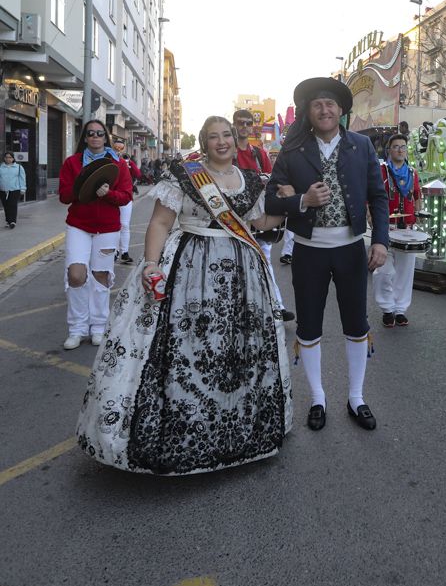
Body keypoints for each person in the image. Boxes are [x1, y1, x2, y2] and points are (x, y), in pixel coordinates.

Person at [76, 116, 292, 475]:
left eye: (226, 135)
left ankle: (234, 434)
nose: (221, 142)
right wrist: (149, 264)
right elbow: (160, 223)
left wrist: (288, 204)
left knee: (235, 351)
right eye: (213, 137)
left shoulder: (251, 180)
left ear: (234, 139)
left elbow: (258, 224)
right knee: (188, 350)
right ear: (204, 143)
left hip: (241, 274)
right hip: (189, 268)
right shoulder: (184, 175)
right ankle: (188, 434)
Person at [265, 77, 389, 433]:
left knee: (356, 325)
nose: (324, 109)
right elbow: (271, 198)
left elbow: (378, 197)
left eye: (330, 104)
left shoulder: (362, 145)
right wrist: (302, 200)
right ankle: (318, 397)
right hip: (308, 253)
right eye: (317, 104)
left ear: (341, 111)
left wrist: (380, 241)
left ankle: (356, 397)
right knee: (309, 326)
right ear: (308, 111)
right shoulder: (293, 150)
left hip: (350, 250)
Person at [58, 120, 134, 350]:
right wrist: (83, 187)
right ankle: (77, 329)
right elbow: (63, 196)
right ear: (85, 138)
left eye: (99, 133)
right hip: (79, 225)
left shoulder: (118, 164)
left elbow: (126, 196)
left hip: (108, 228)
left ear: (105, 137)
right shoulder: (73, 163)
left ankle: (98, 327)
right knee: (76, 275)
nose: (95, 137)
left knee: (101, 276)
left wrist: (108, 193)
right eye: (90, 133)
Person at [232, 107, 295, 322]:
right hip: (231, 222)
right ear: (234, 125)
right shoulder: (226, 152)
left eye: (248, 123)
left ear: (252, 127)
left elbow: (272, 182)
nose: (244, 127)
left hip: (258, 218)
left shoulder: (259, 154)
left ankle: (276, 306)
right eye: (240, 122)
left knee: (264, 263)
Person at [373, 133, 422, 328]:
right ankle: (387, 308)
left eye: (403, 146)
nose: (400, 150)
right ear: (389, 150)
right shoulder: (380, 171)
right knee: (384, 270)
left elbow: (417, 196)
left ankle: (400, 310)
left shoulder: (412, 172)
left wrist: (418, 213)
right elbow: (372, 195)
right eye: (396, 146)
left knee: (405, 271)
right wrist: (371, 216)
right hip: (386, 227)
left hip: (408, 228)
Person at [111, 137, 142, 264]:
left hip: (125, 197)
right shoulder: (110, 159)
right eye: (116, 147)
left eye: (121, 147)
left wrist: (129, 163)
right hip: (112, 196)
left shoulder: (127, 160)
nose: (119, 150)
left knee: (124, 225)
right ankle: (114, 251)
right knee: (114, 225)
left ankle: (124, 252)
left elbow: (138, 174)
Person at [0, 151, 26, 228]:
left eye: (10, 157)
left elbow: (22, 178)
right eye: (6, 157)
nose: (8, 159)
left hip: (15, 190)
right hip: (3, 190)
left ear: (13, 158)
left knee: (13, 205)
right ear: (4, 158)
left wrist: (23, 189)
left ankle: (13, 222)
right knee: (6, 206)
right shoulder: (1, 167)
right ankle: (8, 221)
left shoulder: (18, 167)